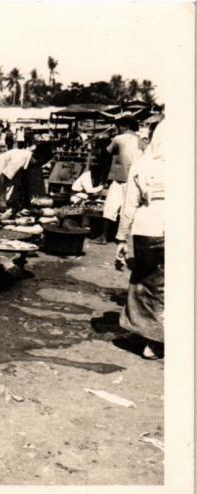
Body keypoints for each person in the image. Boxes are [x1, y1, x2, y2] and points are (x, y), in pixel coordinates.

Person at [115, 118, 166, 359]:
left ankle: (149, 336)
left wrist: (121, 239)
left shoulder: (143, 163)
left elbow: (129, 206)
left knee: (144, 283)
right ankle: (152, 339)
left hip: (148, 230)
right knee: (163, 285)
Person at [92, 114, 143, 244]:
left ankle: (103, 237)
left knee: (110, 207)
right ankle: (121, 238)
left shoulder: (119, 138)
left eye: (119, 126)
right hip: (135, 179)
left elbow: (106, 153)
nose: (117, 128)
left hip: (120, 178)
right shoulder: (141, 140)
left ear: (124, 126)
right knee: (128, 209)